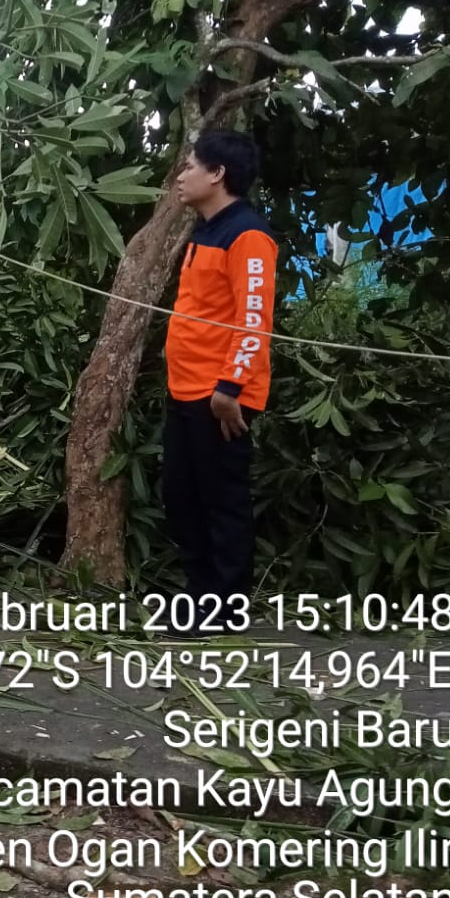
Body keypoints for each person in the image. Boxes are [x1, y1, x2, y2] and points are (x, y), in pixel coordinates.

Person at [161, 130, 277, 637]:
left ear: (217, 174)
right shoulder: (205, 230)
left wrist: (230, 387)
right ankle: (199, 599)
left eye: (190, 166)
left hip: (219, 398)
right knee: (183, 496)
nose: (181, 175)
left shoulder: (247, 235)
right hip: (185, 390)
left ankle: (226, 609)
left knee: (221, 502)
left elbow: (254, 318)